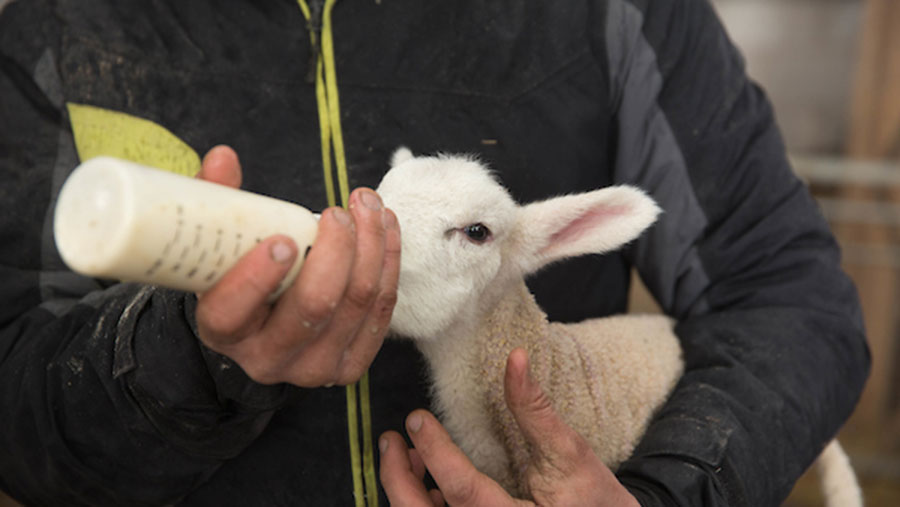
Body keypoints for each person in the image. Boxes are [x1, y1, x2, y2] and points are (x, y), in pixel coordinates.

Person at [0, 0, 869, 505]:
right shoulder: (58, 31)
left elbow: (788, 294)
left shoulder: (614, 13)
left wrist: (663, 495)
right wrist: (175, 361)